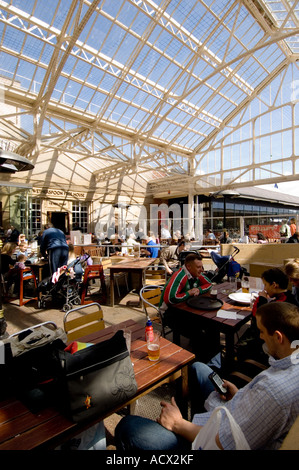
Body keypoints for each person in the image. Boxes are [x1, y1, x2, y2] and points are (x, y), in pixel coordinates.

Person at [115, 302, 299, 450]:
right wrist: (238, 395)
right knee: (198, 368)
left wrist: (178, 424)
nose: (260, 337)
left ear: (278, 337)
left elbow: (224, 444)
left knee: (128, 426)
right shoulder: (290, 363)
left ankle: (184, 436)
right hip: (233, 411)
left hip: (212, 439)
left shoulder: (272, 392)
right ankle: (191, 421)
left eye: (261, 331)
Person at [236, 267, 299, 363]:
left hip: (273, 343)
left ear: (274, 285)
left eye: (265, 285)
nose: (264, 288)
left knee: (242, 346)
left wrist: (261, 299)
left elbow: (257, 319)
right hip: (286, 342)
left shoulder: (278, 305)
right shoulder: (290, 297)